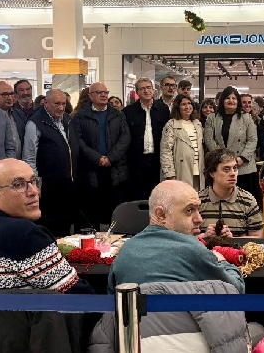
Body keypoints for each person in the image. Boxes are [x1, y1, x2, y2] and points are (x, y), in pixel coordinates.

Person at [0, 159, 91, 294]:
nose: (34, 191)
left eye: (33, 181)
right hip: (18, 309)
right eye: (18, 185)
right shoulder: (25, 234)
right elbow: (79, 295)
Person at [108, 180, 244, 294]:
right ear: (161, 214)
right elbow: (236, 288)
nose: (199, 219)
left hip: (135, 319)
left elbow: (112, 301)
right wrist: (222, 261)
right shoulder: (194, 251)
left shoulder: (125, 251)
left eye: (198, 210)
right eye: (189, 210)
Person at [72, 82, 130, 231]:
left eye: (105, 92)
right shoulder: (80, 116)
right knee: (91, 213)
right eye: (99, 92)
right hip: (91, 170)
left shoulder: (118, 115)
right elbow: (78, 141)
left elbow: (125, 138)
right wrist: (97, 158)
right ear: (90, 96)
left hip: (114, 169)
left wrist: (110, 158)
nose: (103, 95)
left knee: (115, 213)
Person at [23, 89, 79, 236]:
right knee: (49, 226)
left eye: (63, 104)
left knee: (66, 223)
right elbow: (29, 157)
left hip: (68, 182)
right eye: (57, 104)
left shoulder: (67, 120)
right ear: (46, 103)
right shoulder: (35, 123)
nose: (61, 108)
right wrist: (35, 184)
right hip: (48, 185)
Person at [203, 86, 257, 196]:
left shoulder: (246, 117)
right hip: (220, 165)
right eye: (228, 98)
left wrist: (242, 158)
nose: (231, 101)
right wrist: (223, 158)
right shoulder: (212, 118)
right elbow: (209, 139)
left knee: (243, 199)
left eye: (234, 98)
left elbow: (252, 140)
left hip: (243, 166)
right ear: (222, 100)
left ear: (238, 101)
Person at [198, 148, 264, 238]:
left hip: (237, 247)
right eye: (226, 169)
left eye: (235, 168)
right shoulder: (198, 201)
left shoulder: (248, 200)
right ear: (212, 173)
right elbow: (185, 239)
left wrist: (233, 240)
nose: (233, 173)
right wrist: (204, 236)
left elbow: (258, 238)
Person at [123, 77, 170, 201]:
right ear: (137, 92)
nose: (146, 91)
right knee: (137, 196)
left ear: (153, 90)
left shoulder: (163, 109)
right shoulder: (128, 112)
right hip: (136, 162)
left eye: (148, 88)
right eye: (142, 89)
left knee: (157, 196)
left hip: (157, 161)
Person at [160, 94, 204, 191]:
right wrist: (169, 173)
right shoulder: (171, 125)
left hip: (198, 170)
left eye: (189, 103)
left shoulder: (197, 124)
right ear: (177, 107)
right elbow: (166, 151)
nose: (187, 107)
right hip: (180, 170)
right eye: (183, 104)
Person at [0, 81, 27, 159]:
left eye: (11, 94)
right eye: (5, 95)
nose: (10, 98)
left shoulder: (19, 114)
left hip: (19, 162)